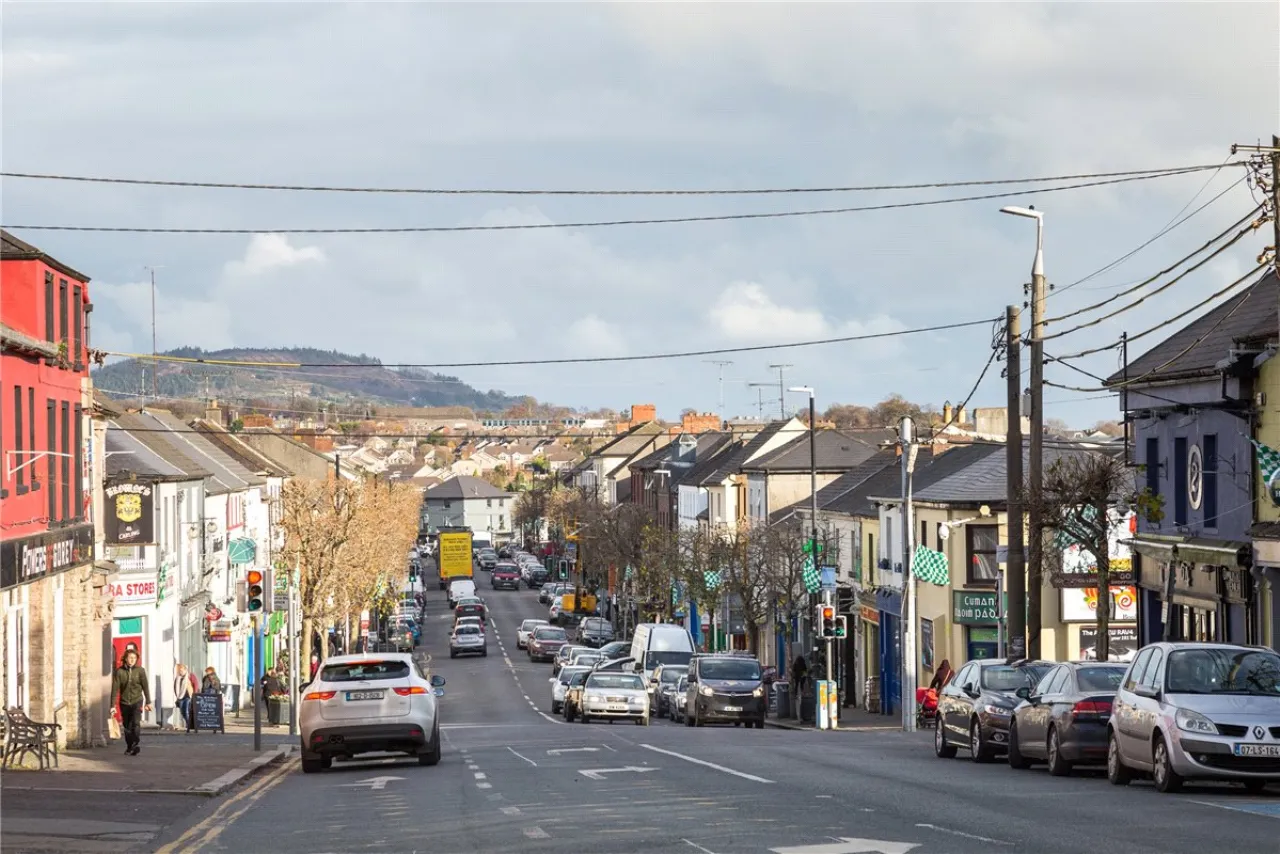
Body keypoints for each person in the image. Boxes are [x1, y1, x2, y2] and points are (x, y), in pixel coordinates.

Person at [110, 649, 152, 755]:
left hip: (137, 700)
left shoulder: (140, 671)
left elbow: (145, 687)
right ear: (125, 658)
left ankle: (135, 743)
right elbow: (115, 689)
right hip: (124, 702)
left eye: (134, 658)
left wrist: (148, 701)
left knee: (136, 723)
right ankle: (130, 746)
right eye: (130, 657)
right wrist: (112, 705)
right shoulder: (119, 672)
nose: (132, 660)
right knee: (127, 726)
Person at [173, 663, 194, 730]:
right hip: (180, 697)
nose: (181, 672)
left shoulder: (190, 676)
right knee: (182, 711)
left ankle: (189, 725)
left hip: (188, 696)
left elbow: (195, 685)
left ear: (185, 670)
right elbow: (175, 687)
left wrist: (194, 694)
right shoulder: (178, 678)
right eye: (180, 671)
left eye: (182, 671)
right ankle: (189, 723)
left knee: (186, 711)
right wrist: (177, 695)